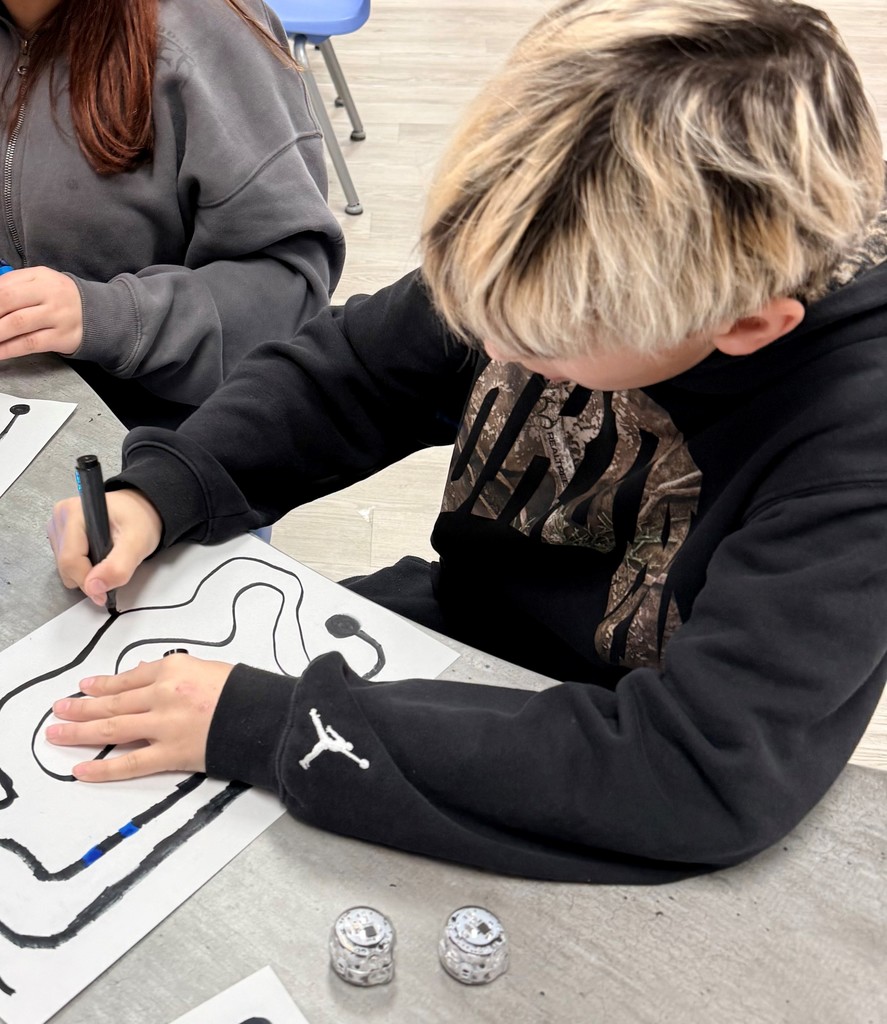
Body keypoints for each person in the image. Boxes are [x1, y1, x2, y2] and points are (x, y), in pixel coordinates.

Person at [46, 0, 887, 884]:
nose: (490, 354)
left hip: (600, 761)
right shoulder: (561, 252)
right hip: (445, 641)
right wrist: (169, 486)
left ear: (747, 326)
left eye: (537, 346)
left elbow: (697, 772)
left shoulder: (853, 447)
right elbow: (354, 371)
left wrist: (272, 724)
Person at [0, 0, 344, 427]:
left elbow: (290, 295)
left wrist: (107, 316)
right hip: (26, 413)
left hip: (168, 442)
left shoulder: (202, 31)